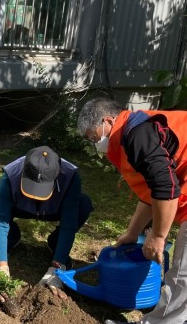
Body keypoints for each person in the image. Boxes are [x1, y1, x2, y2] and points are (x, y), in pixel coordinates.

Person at [77, 97, 187, 324]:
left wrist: (157, 236)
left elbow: (165, 186)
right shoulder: (132, 134)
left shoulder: (138, 135)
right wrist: (132, 232)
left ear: (108, 121)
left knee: (181, 276)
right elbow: (150, 193)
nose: (95, 143)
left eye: (94, 137)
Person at [0, 145, 93, 298]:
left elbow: (68, 225)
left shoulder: (70, 176)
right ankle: (11, 238)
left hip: (53, 210)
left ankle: (56, 246)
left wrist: (56, 268)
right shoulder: (11, 173)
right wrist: (2, 266)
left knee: (83, 204)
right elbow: (1, 222)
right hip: (21, 207)